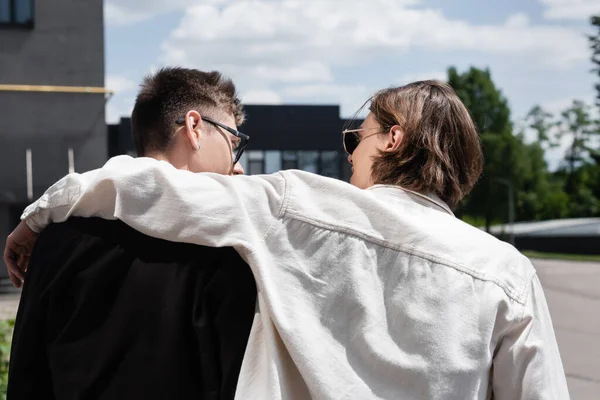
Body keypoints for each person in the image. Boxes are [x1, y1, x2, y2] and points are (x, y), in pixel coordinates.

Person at [6, 80, 570, 399]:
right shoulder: (507, 272)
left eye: (358, 137)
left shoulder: (297, 204)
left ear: (393, 139)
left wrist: (36, 218)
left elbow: (152, 186)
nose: (349, 153)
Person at [5, 67, 257, 399]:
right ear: (195, 128)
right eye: (233, 142)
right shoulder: (224, 242)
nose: (237, 166)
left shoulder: (56, 238)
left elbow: (28, 374)